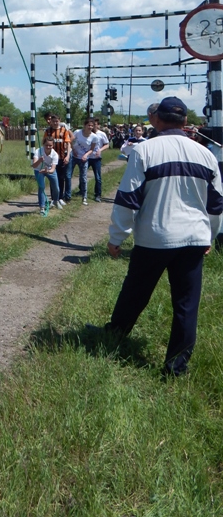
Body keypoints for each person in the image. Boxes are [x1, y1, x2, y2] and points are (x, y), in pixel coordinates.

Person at [94, 96, 223, 376]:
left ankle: (115, 335)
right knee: (186, 304)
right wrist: (209, 237)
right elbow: (216, 205)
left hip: (156, 236)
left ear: (158, 119)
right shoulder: (206, 155)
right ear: (186, 121)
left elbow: (128, 199)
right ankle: (176, 365)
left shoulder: (145, 151)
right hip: (193, 238)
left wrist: (117, 237)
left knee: (135, 292)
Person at [43, 112, 73, 205]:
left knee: (61, 178)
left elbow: (68, 143)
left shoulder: (64, 131)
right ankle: (53, 198)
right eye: (53, 121)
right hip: (51, 159)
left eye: (57, 121)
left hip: (62, 157)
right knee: (52, 178)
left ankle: (60, 197)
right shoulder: (48, 131)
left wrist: (68, 155)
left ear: (59, 121)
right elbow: (44, 144)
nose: (55, 123)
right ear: (51, 122)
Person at [31, 136, 61, 215]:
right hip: (39, 170)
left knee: (56, 188)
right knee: (42, 187)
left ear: (53, 145)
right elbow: (34, 165)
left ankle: (55, 201)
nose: (48, 147)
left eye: (50, 145)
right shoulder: (38, 151)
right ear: (43, 144)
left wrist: (48, 171)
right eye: (46, 145)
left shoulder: (55, 155)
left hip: (49, 170)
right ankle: (42, 207)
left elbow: (53, 169)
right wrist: (39, 160)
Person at [71, 118, 98, 206]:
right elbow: (71, 141)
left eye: (92, 125)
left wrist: (86, 155)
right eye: (88, 125)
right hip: (74, 156)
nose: (90, 127)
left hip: (84, 158)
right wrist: (73, 150)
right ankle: (66, 195)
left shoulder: (94, 137)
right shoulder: (77, 132)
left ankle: (84, 197)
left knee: (83, 177)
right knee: (68, 175)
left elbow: (92, 149)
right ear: (85, 125)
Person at [88, 118, 110, 202]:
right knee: (83, 176)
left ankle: (98, 194)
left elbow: (107, 144)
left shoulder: (101, 134)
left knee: (98, 177)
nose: (94, 126)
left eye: (95, 124)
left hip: (96, 158)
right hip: (87, 157)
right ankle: (81, 190)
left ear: (98, 125)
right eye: (92, 124)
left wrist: (100, 150)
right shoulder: (87, 133)